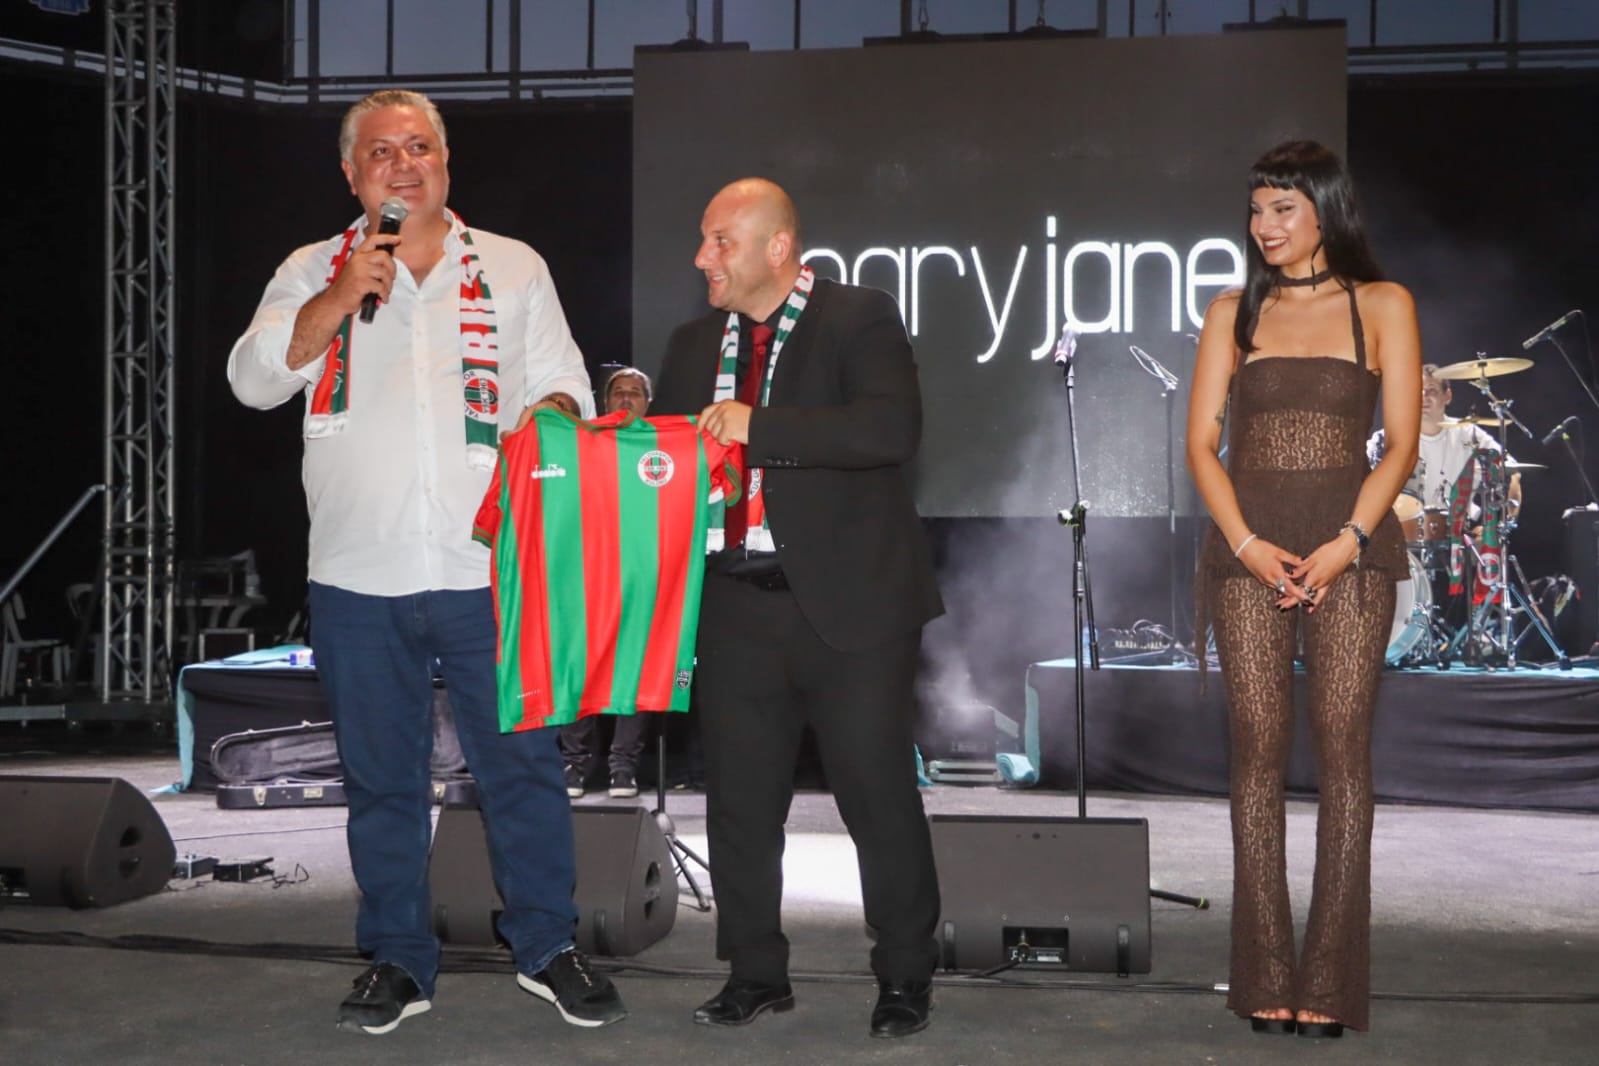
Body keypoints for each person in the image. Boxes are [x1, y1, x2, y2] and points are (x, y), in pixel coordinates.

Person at [227, 89, 625, 1035]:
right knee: (382, 781)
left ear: (446, 161)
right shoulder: (311, 268)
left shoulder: (514, 266)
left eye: (419, 147)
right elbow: (251, 382)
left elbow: (563, 382)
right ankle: (398, 958)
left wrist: (547, 423)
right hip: (358, 573)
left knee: (521, 769)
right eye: (380, 152)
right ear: (350, 173)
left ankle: (547, 946)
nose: (402, 165)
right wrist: (337, 296)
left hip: (489, 567)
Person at [652, 178, 945, 1039]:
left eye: (720, 242)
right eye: (703, 241)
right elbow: (662, 466)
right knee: (740, 805)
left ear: (776, 247)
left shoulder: (859, 315)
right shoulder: (690, 342)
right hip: (732, 603)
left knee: (876, 797)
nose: (702, 258)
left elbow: (888, 431)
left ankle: (904, 973)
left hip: (852, 606)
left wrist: (758, 426)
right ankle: (753, 972)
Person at [1185, 141, 1421, 1038]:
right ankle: (1262, 976)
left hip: (1349, 554)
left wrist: (1347, 543)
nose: (1264, 226)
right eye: (1255, 210)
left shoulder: (1383, 304)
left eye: (1281, 208)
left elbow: (1400, 444)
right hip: (1247, 556)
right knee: (1253, 756)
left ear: (1324, 209)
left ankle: (1327, 980)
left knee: (1343, 757)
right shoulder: (1230, 312)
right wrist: (1245, 544)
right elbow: (1200, 446)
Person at [559, 367, 655, 798]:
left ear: (648, 404)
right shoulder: (582, 442)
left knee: (633, 673)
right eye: (618, 392)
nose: (626, 399)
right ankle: (574, 765)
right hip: (585, 575)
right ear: (604, 401)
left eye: (635, 393)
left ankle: (623, 768)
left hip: (639, 577)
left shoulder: (663, 447)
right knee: (579, 670)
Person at [1366, 363, 1523, 544]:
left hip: (1460, 537)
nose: (1424, 396)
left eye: (1431, 390)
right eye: (1418, 390)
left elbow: (1512, 472)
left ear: (1447, 396)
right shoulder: (1389, 438)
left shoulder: (1468, 434)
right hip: (1401, 538)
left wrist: (1501, 526)